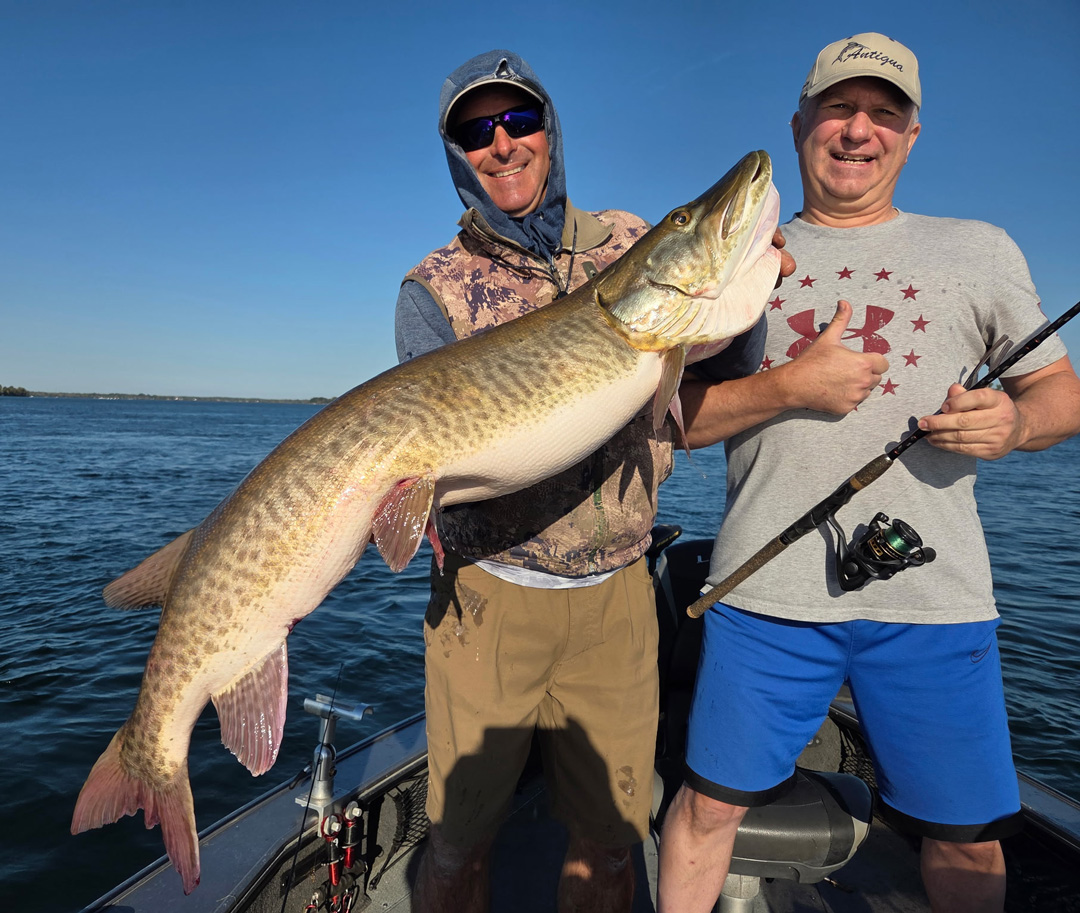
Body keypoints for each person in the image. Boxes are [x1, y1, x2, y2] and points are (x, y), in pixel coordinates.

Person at [658, 32, 1080, 913]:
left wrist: (1014, 423)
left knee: (965, 843)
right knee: (704, 810)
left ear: (912, 135)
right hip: (762, 592)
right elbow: (678, 419)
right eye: (839, 109)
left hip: (937, 598)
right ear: (801, 122)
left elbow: (1060, 395)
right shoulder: (741, 258)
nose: (859, 131)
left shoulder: (981, 249)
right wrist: (787, 386)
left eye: (883, 114)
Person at [395, 50, 785, 913]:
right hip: (487, 599)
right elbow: (430, 454)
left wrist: (741, 292)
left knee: (612, 848)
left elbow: (699, 368)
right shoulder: (434, 287)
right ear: (458, 152)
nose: (502, 144)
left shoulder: (625, 240)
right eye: (476, 130)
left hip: (615, 599)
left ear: (549, 130)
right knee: (457, 849)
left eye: (518, 120)